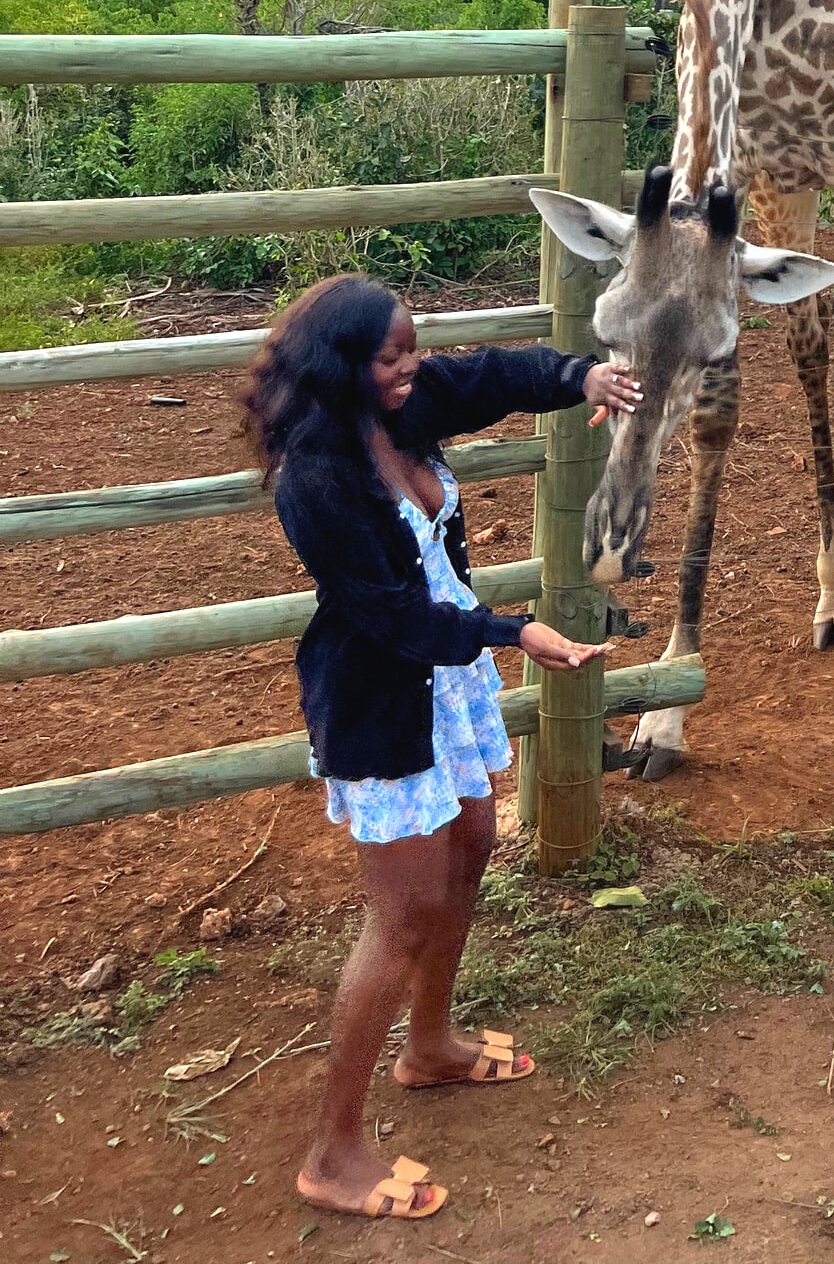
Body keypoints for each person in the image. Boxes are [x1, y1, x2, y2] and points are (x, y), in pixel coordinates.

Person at [244, 275, 643, 1222]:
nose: (410, 369)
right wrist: (513, 634)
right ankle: (332, 1152)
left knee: (470, 850)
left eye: (412, 350)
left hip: (444, 680)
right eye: (390, 356)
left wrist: (581, 375)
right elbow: (389, 616)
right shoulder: (317, 473)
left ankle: (430, 1048)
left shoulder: (405, 403)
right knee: (403, 914)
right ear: (340, 363)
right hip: (381, 699)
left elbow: (494, 375)